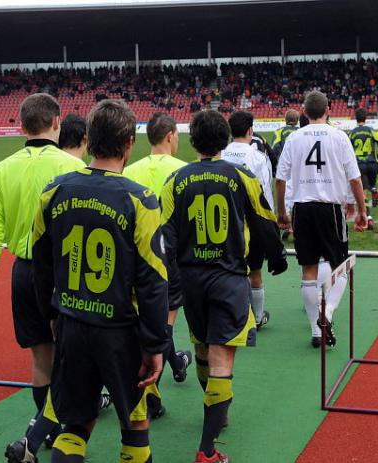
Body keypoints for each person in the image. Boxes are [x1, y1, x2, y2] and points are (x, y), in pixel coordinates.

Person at [31, 99, 169, 463]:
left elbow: (40, 265)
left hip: (72, 324)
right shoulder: (140, 200)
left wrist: (52, 315)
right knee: (134, 424)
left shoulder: (54, 190)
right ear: (129, 143)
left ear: (90, 138)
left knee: (75, 423)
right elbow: (153, 281)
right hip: (121, 332)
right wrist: (155, 344)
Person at [161, 110, 287, 463]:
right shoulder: (241, 176)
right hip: (229, 277)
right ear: (225, 140)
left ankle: (217, 410)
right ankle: (206, 449)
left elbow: (164, 236)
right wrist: (277, 256)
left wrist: (170, 279)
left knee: (203, 348)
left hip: (191, 279)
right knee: (221, 357)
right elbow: (264, 219)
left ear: (193, 141)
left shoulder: (175, 180)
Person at [0, 94, 85, 462]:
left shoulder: (2, 169)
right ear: (57, 122)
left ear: (21, 126)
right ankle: (60, 429)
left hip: (23, 271)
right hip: (62, 271)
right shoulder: (72, 166)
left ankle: (47, 428)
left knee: (40, 359)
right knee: (69, 355)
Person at [275, 90, 369, 348]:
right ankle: (326, 313)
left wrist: (282, 211)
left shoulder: (294, 138)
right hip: (330, 209)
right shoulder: (339, 136)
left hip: (302, 209)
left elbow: (280, 179)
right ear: (328, 109)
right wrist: (362, 211)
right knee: (341, 266)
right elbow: (355, 179)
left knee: (308, 270)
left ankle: (316, 330)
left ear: (304, 112)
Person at [122, 111, 192, 418]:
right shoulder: (183, 170)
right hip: (167, 256)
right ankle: (149, 395)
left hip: (133, 255)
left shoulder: (129, 170)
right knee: (163, 324)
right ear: (170, 135)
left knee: (144, 320)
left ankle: (173, 365)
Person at [221, 110, 275, 330]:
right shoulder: (258, 157)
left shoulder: (221, 154)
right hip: (251, 222)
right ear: (250, 130)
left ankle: (231, 314)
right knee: (255, 270)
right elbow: (265, 194)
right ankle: (258, 317)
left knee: (228, 269)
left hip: (225, 220)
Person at [349, 107, 378, 214]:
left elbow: (346, 149)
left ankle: (368, 217)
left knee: (363, 192)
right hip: (372, 164)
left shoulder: (352, 133)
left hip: (359, 165)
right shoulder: (372, 131)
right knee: (371, 182)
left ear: (356, 118)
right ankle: (374, 188)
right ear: (365, 118)